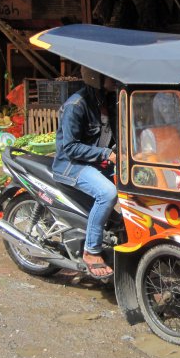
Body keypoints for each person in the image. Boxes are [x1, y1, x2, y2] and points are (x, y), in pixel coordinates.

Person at [52, 66, 117, 279]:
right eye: (109, 74)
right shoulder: (76, 105)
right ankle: (91, 250)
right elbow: (69, 147)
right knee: (107, 193)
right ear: (96, 77)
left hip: (97, 162)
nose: (114, 77)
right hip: (71, 164)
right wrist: (105, 153)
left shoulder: (110, 100)